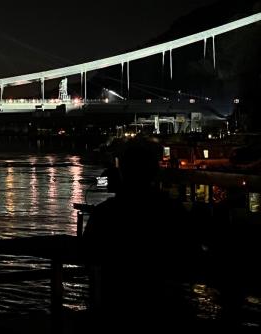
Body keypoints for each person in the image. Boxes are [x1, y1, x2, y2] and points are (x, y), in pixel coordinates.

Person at [82, 138, 202, 331]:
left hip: (115, 305)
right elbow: (191, 252)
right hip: (163, 306)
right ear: (154, 172)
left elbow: (88, 253)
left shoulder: (105, 213)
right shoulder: (171, 211)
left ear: (122, 174)